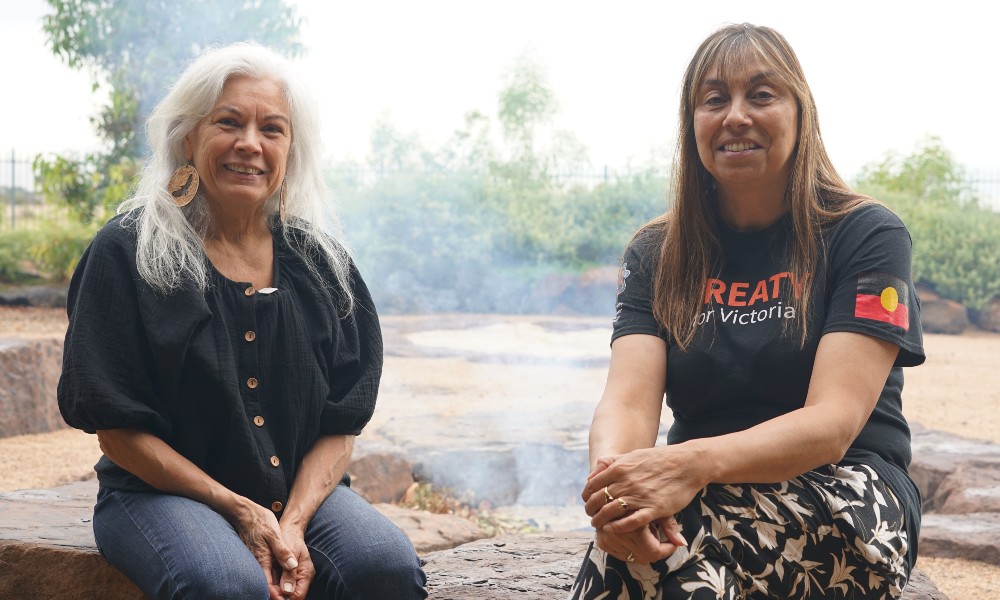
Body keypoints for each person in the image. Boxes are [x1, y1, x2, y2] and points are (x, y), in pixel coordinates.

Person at [58, 42, 427, 600]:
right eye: (228, 122)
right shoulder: (128, 252)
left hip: (297, 497)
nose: (250, 144)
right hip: (159, 496)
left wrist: (295, 522)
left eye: (272, 129)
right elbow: (118, 432)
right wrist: (237, 510)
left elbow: (341, 419)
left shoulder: (320, 263)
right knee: (224, 586)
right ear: (188, 137)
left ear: (291, 149)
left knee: (385, 569)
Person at [569, 23, 924, 599]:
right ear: (692, 125)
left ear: (799, 113)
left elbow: (832, 425)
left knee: (675, 536)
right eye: (714, 99)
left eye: (761, 95)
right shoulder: (656, 252)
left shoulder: (865, 234)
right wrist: (617, 491)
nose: (736, 115)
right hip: (703, 490)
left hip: (850, 492)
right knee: (639, 543)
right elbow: (628, 400)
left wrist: (687, 467)